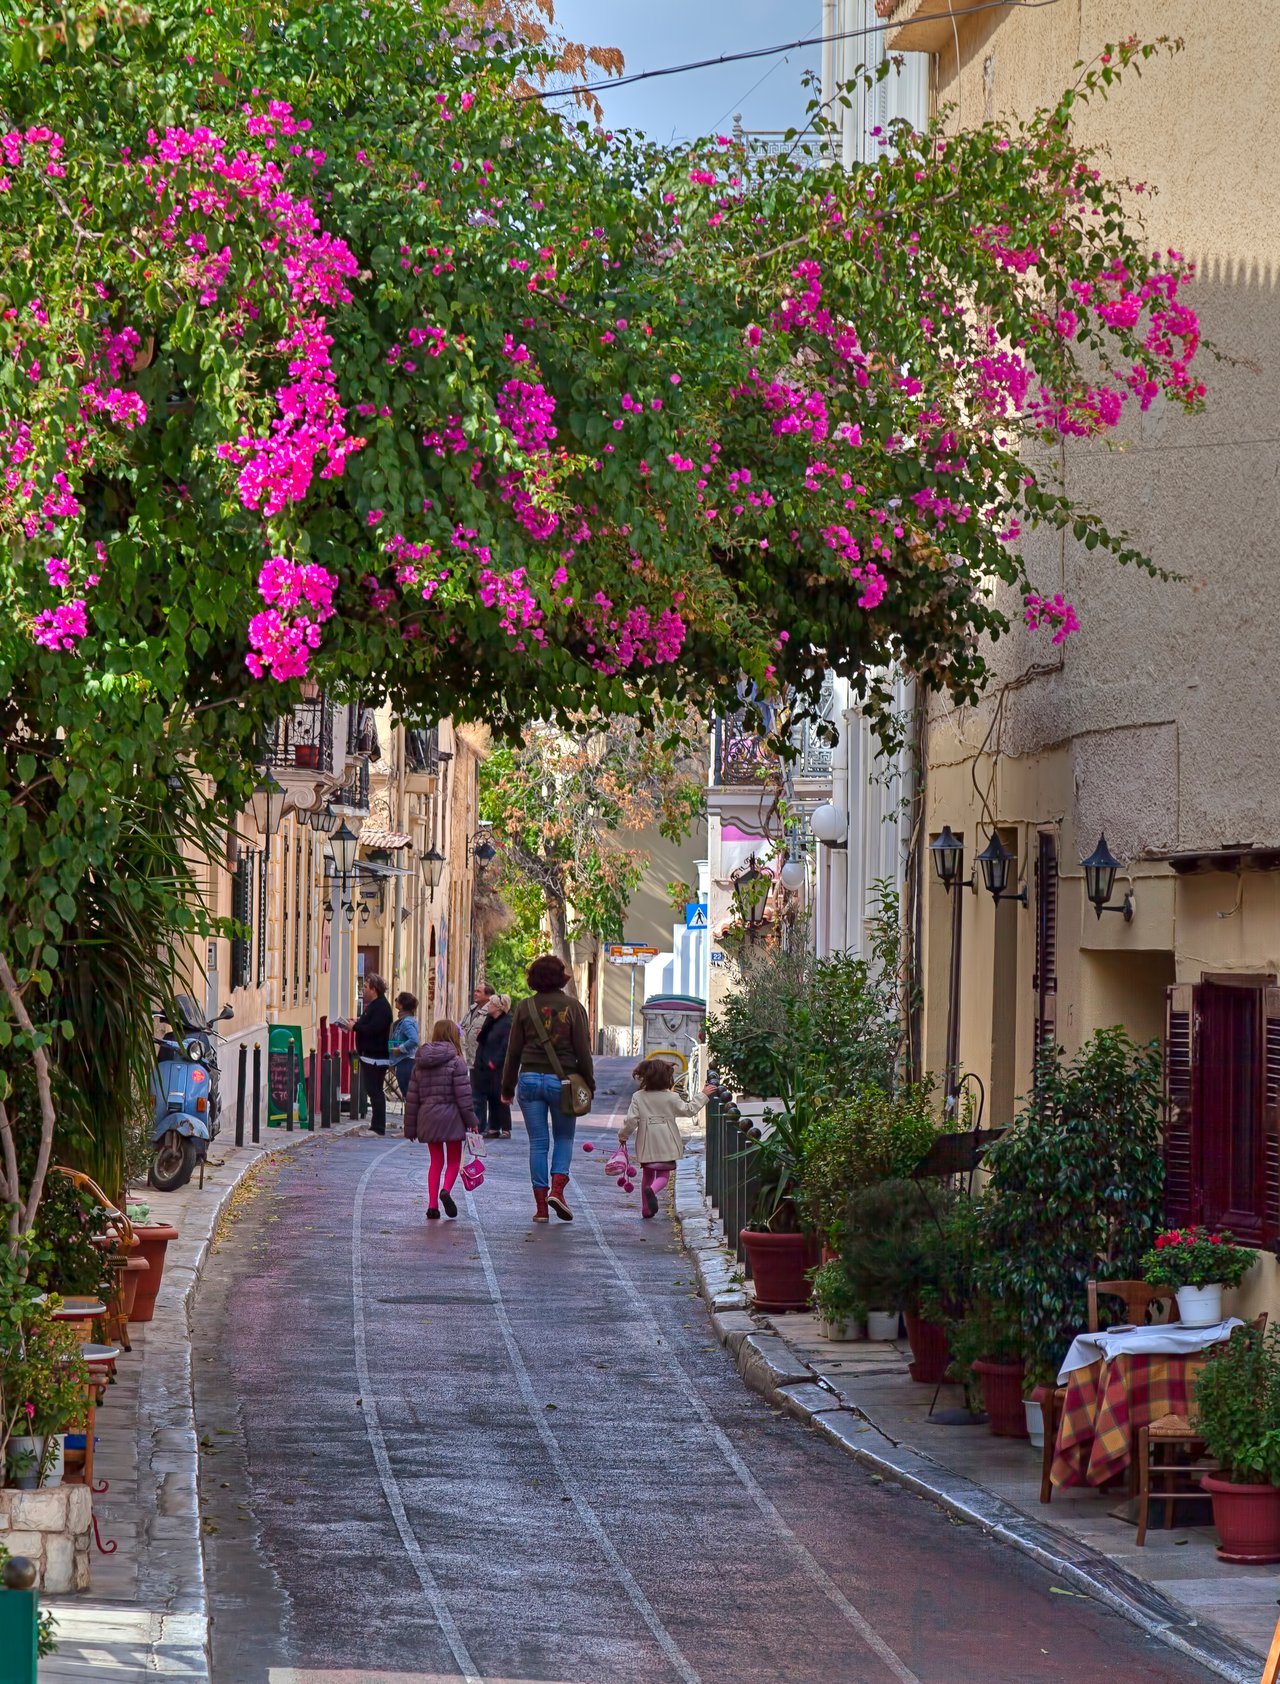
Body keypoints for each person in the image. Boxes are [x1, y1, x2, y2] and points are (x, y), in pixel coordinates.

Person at [501, 954, 594, 1223]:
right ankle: (558, 1191)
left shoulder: (524, 1007)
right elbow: (583, 1052)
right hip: (563, 1081)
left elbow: (513, 1051)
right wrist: (588, 1083)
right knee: (564, 1138)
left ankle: (541, 1208)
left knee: (538, 1144)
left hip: (529, 1079)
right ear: (561, 977)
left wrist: (507, 1087)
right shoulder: (574, 1007)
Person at [619, 1059, 717, 1219]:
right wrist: (703, 1095)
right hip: (667, 1140)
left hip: (646, 1141)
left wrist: (623, 1136)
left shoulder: (638, 1097)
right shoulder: (672, 1097)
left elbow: (631, 1121)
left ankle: (646, 1209)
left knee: (648, 1175)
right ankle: (653, 1190)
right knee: (663, 1175)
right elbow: (689, 1110)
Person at [403, 1020, 478, 1220]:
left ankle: (432, 1205)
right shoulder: (457, 1061)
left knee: (436, 1162)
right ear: (454, 1035)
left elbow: (412, 1097)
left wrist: (410, 1129)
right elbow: (463, 1096)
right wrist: (471, 1120)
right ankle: (445, 1190)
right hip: (452, 1118)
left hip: (427, 1117)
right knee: (453, 1161)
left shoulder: (420, 1062)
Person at [336, 974, 392, 1136]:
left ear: (374, 989)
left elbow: (374, 1028)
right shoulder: (374, 1005)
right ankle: (375, 1126)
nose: (362, 989)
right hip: (369, 1054)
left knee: (375, 1091)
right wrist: (355, 1022)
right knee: (372, 1090)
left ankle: (378, 1127)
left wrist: (356, 1027)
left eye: (365, 987)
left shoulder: (381, 1006)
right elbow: (368, 1023)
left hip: (376, 1056)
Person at [472, 992, 513, 1140]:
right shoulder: (490, 1020)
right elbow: (483, 1039)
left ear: (498, 1008)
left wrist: (494, 1062)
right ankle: (494, 1127)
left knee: (499, 1096)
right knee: (490, 1096)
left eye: (491, 1004)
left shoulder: (507, 1023)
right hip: (483, 1064)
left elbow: (506, 1046)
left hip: (496, 1066)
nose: (488, 1006)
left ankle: (506, 1128)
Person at [459, 981, 495, 1116]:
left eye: (478, 991)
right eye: (475, 991)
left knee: (481, 1095)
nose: (475, 993)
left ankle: (484, 1124)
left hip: (482, 1059)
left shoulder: (490, 1012)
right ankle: (478, 1124)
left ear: (488, 995)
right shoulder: (472, 1009)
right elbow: (462, 1026)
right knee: (474, 1093)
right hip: (470, 1057)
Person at [389, 991, 420, 1099]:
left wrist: (400, 1049)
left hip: (406, 1062)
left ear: (401, 1005)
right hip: (403, 1061)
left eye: (397, 999)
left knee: (408, 1096)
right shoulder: (405, 1021)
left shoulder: (406, 1022)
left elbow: (414, 1040)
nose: (395, 1001)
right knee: (408, 1096)